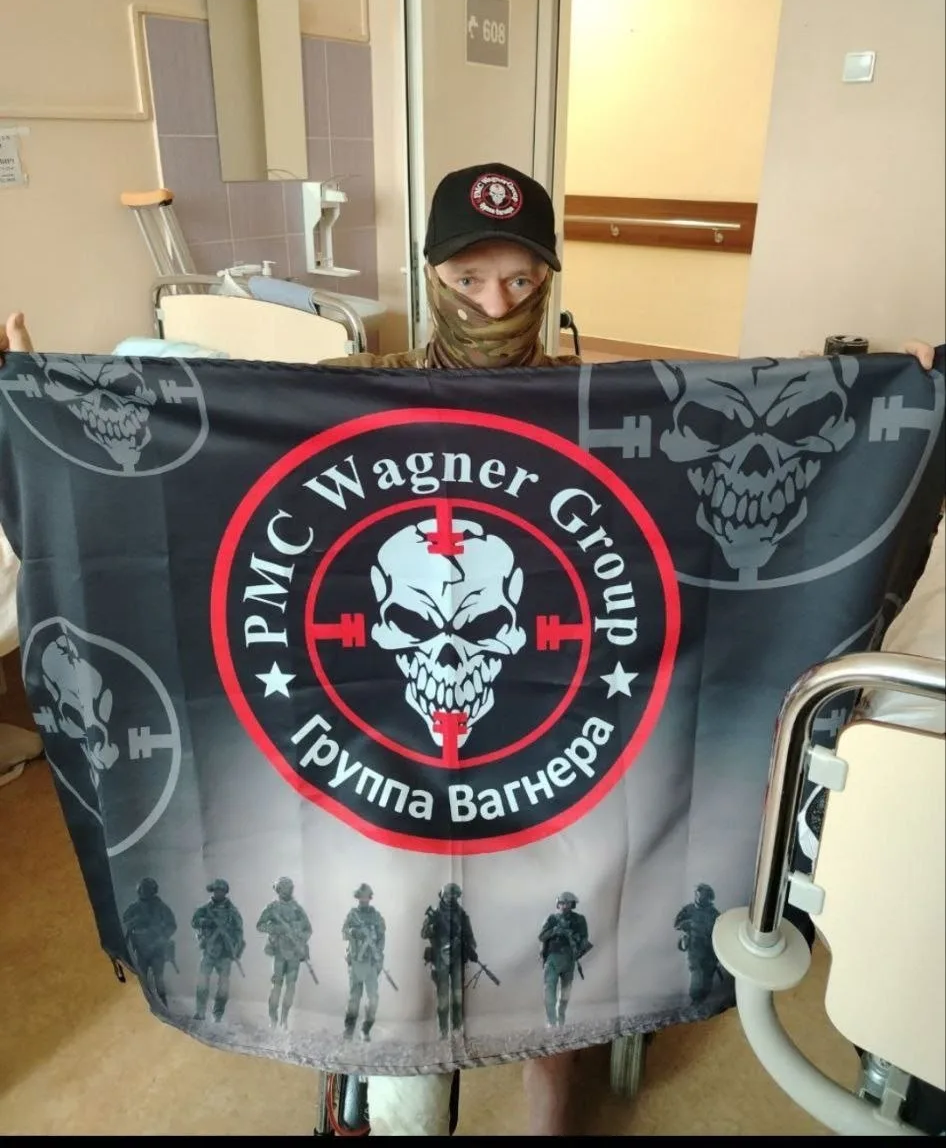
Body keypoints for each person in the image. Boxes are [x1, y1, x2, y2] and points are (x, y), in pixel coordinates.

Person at [0, 197, 939, 1135]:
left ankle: (552, 1097)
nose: (496, 304)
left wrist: (891, 396)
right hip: (374, 754)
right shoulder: (348, 391)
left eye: (522, 279)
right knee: (376, 904)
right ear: (432, 276)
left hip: (551, 760)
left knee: (567, 918)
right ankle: (367, 1077)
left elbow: (728, 469)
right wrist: (37, 392)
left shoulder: (597, 405)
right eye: (470, 278)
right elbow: (203, 447)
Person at [421, 882, 480, 1041]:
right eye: (448, 895)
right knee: (442, 997)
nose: (450, 898)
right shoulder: (434, 914)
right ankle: (443, 1030)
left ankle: (457, 1028)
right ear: (442, 895)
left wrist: (470, 948)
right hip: (440, 959)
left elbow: (470, 937)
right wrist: (432, 926)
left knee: (457, 996)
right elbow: (424, 934)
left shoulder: (461, 915)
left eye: (454, 896)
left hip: (457, 960)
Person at [255, 875, 313, 1029]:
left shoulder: (297, 909)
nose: (287, 891)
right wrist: (277, 929)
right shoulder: (272, 908)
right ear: (278, 890)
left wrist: (298, 936)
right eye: (284, 888)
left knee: (291, 987)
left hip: (294, 952)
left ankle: (284, 1019)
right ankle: (273, 1019)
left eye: (289, 888)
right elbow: (260, 925)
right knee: (276, 986)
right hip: (279, 951)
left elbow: (308, 930)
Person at [191, 877, 245, 1023]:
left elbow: (239, 932)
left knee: (223, 987)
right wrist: (207, 922)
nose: (218, 893)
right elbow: (194, 922)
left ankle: (218, 1014)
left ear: (225, 892)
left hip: (225, 953)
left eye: (221, 890)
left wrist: (235, 949)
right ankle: (200, 1012)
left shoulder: (232, 912)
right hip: (209, 950)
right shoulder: (204, 909)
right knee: (202, 983)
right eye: (216, 890)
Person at [538, 892, 593, 1028]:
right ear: (558, 904)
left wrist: (576, 942)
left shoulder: (579, 920)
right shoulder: (552, 919)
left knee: (565, 993)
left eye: (567, 903)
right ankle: (551, 1022)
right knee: (549, 990)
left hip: (569, 959)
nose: (564, 906)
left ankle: (560, 1022)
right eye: (562, 903)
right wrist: (555, 931)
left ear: (572, 904)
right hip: (552, 958)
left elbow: (584, 939)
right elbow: (541, 936)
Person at [122, 876, 178, 1008]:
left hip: (157, 948)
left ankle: (163, 1005)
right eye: (143, 889)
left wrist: (162, 936)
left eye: (148, 889)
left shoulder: (161, 907)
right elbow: (126, 922)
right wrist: (136, 921)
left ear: (153, 890)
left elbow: (171, 925)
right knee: (142, 979)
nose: (145, 892)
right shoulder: (134, 908)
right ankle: (145, 1006)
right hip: (140, 948)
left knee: (158, 979)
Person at [341, 882, 386, 1041]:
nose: (364, 899)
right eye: (361, 896)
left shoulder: (376, 916)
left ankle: (366, 1029)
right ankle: (349, 1029)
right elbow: (344, 932)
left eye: (366, 896)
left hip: (371, 962)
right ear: (358, 897)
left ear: (370, 897)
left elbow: (381, 937)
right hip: (356, 961)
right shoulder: (352, 914)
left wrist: (378, 953)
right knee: (354, 998)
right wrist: (355, 932)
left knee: (373, 998)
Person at [673, 883, 728, 1004]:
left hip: (709, 948)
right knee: (696, 970)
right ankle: (695, 998)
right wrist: (686, 924)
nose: (700, 897)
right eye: (698, 894)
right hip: (694, 946)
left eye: (703, 895)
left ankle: (703, 998)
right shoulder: (688, 910)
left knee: (708, 972)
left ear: (709, 897)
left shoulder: (715, 914)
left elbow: (722, 931)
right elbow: (676, 924)